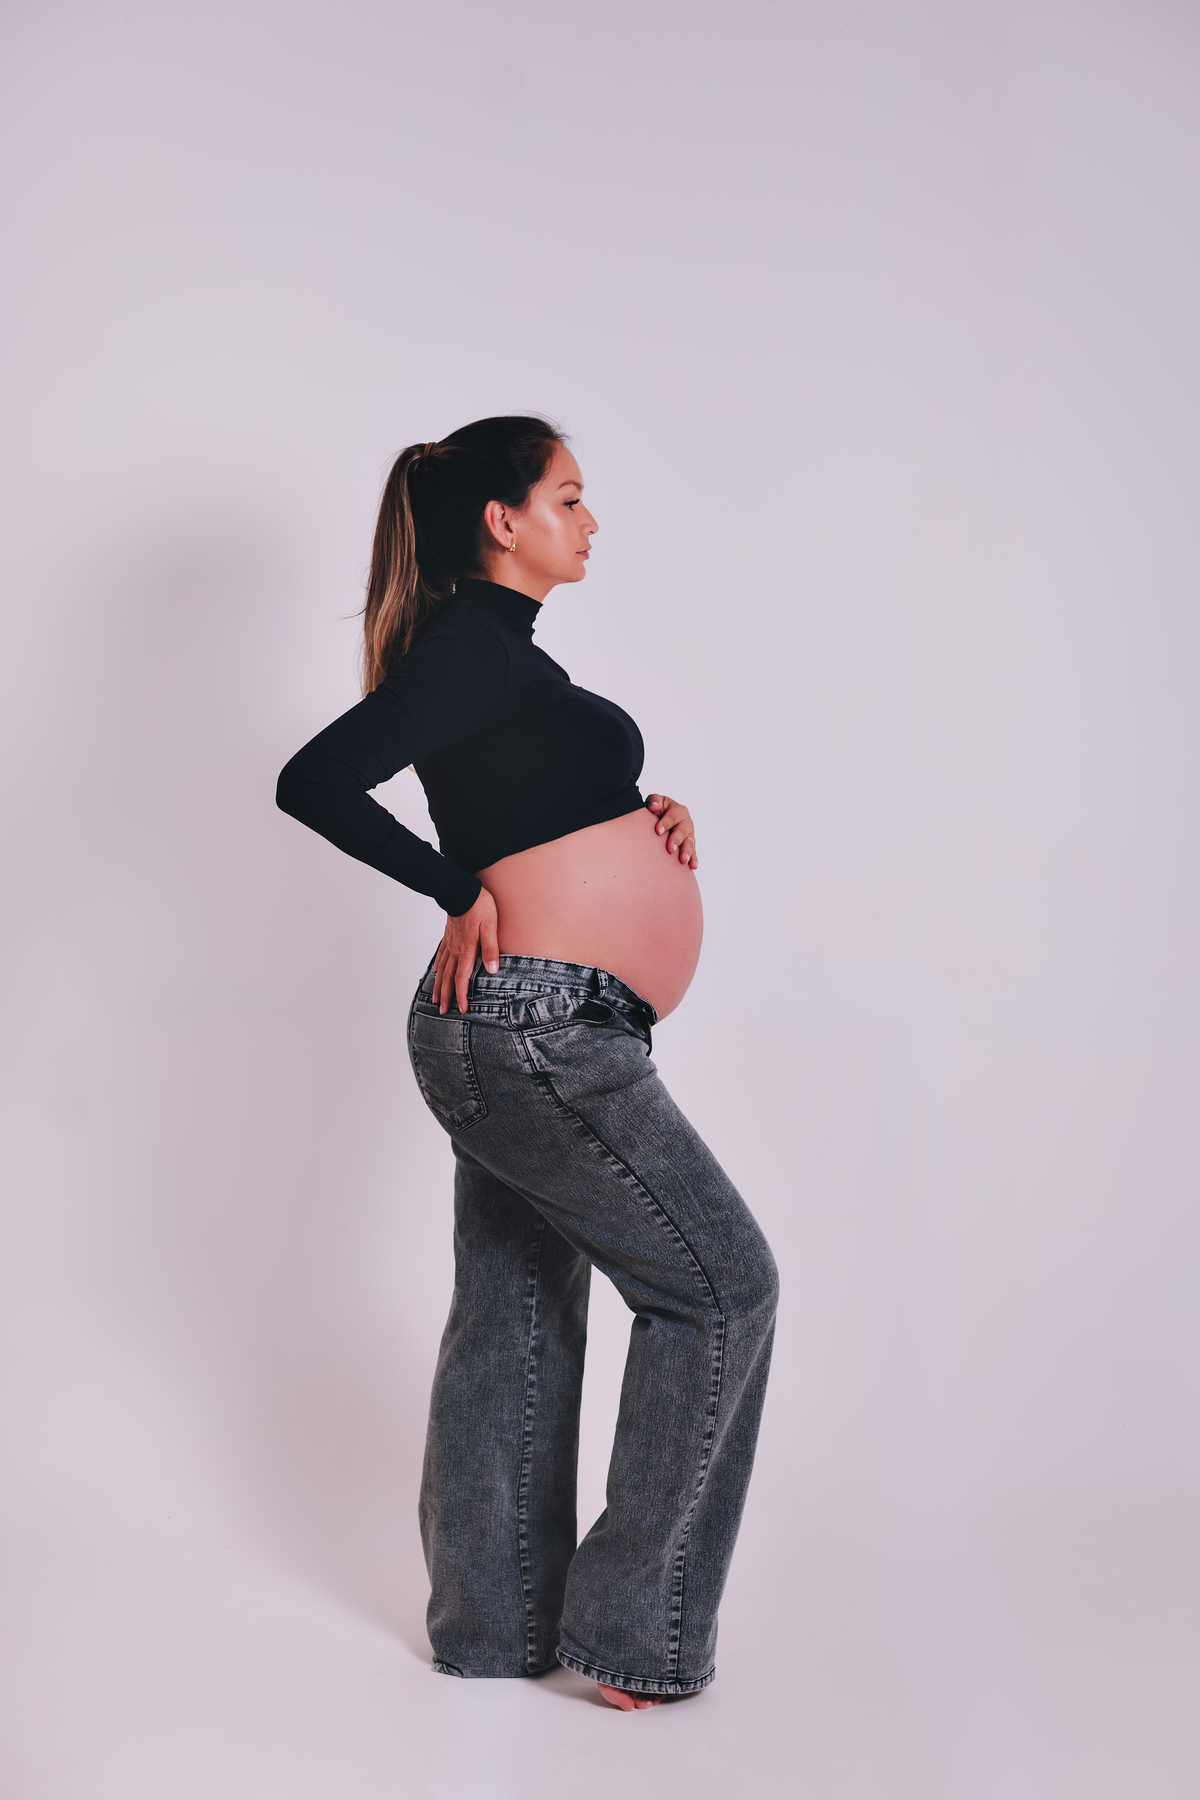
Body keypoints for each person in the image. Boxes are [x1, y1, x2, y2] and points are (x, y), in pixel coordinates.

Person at [276, 416, 778, 1711]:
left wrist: (642, 812)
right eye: (569, 496)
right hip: (536, 1030)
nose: (590, 520)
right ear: (503, 522)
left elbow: (523, 800)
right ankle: (634, 1635)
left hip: (528, 1030)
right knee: (722, 1289)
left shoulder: (505, 660)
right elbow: (316, 780)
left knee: (514, 1311)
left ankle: (494, 1630)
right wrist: (455, 890)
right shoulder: (471, 649)